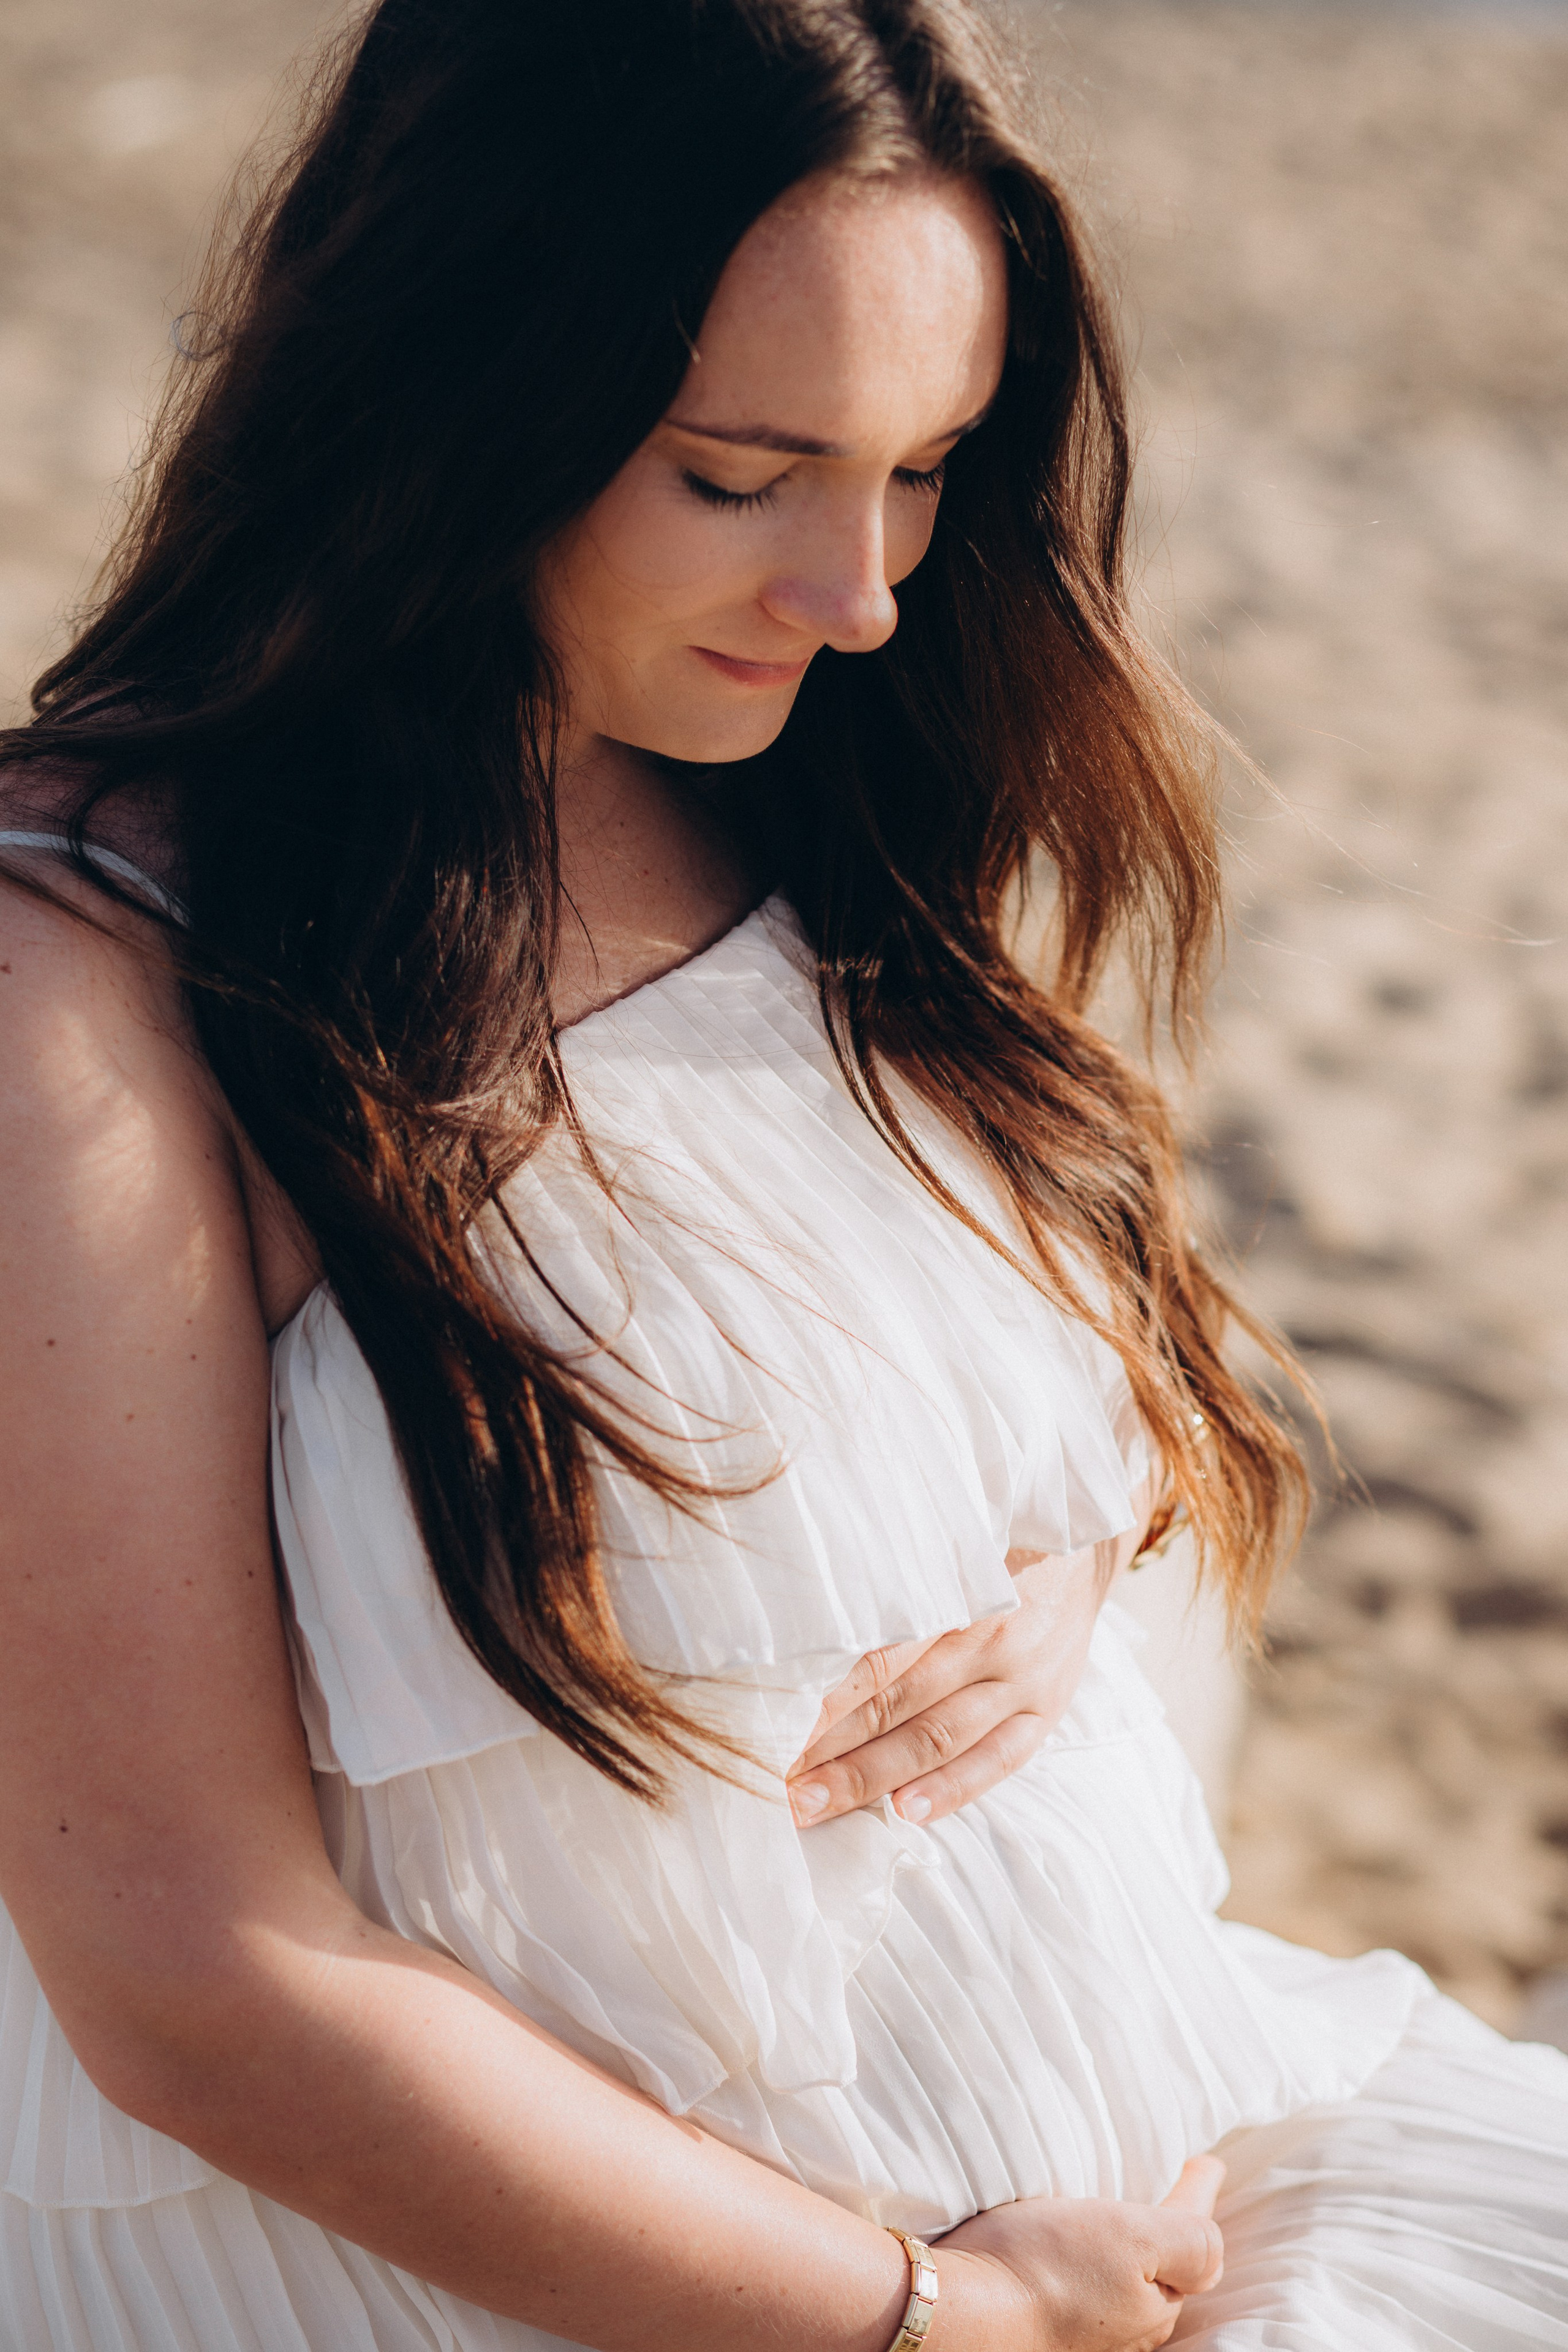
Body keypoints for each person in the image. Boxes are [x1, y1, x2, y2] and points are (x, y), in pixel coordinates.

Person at [0, 2, 1563, 2346]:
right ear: (447, 394)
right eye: (740, 477)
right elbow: (187, 1972)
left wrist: (1060, 1557)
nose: (861, 591)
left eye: (924, 466)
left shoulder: (806, 780)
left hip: (1189, 2153)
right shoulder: (86, 978)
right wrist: (929, 2315)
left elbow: (1056, 1348)